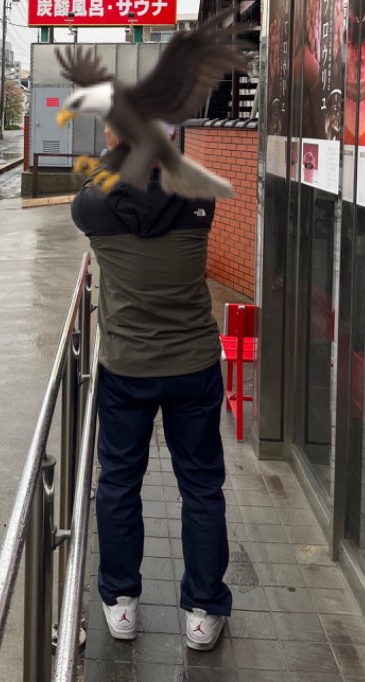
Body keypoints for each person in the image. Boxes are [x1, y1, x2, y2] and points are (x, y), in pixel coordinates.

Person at [71, 124, 231, 649]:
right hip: (194, 365)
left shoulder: (92, 207)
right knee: (202, 487)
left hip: (127, 367)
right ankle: (203, 611)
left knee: (118, 482)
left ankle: (120, 602)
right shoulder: (200, 193)